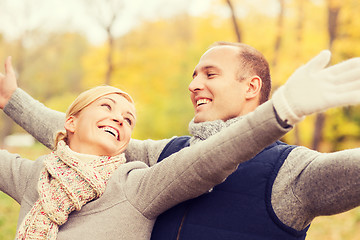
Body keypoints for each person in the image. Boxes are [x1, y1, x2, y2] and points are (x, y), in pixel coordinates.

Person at [1, 42, 360, 240]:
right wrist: (12, 100)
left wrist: (284, 110)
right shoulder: (163, 155)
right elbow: (85, 138)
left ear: (251, 87)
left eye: (210, 74)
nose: (193, 85)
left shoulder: (291, 171)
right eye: (193, 76)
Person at [0, 82, 292, 240]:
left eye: (128, 119)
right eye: (106, 106)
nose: (119, 118)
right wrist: (9, 97)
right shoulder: (35, 176)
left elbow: (206, 160)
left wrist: (280, 114)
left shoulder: (135, 186)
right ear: (71, 122)